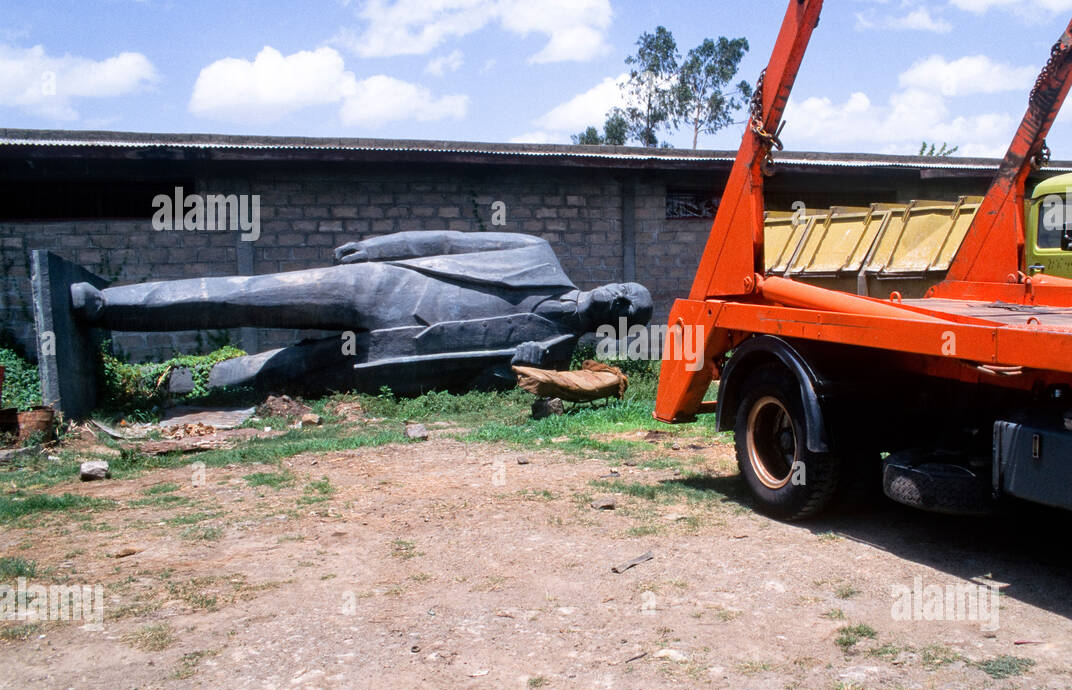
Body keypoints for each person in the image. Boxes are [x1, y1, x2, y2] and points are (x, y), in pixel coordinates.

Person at [70, 230, 653, 394]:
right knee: (251, 291)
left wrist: (510, 371)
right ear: (615, 282)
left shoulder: (553, 358)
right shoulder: (536, 254)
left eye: (628, 311)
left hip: (388, 358)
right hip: (382, 287)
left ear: (614, 326)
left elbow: (476, 382)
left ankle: (165, 387)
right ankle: (110, 307)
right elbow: (448, 243)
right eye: (628, 289)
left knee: (271, 374)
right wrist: (379, 249)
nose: (621, 298)